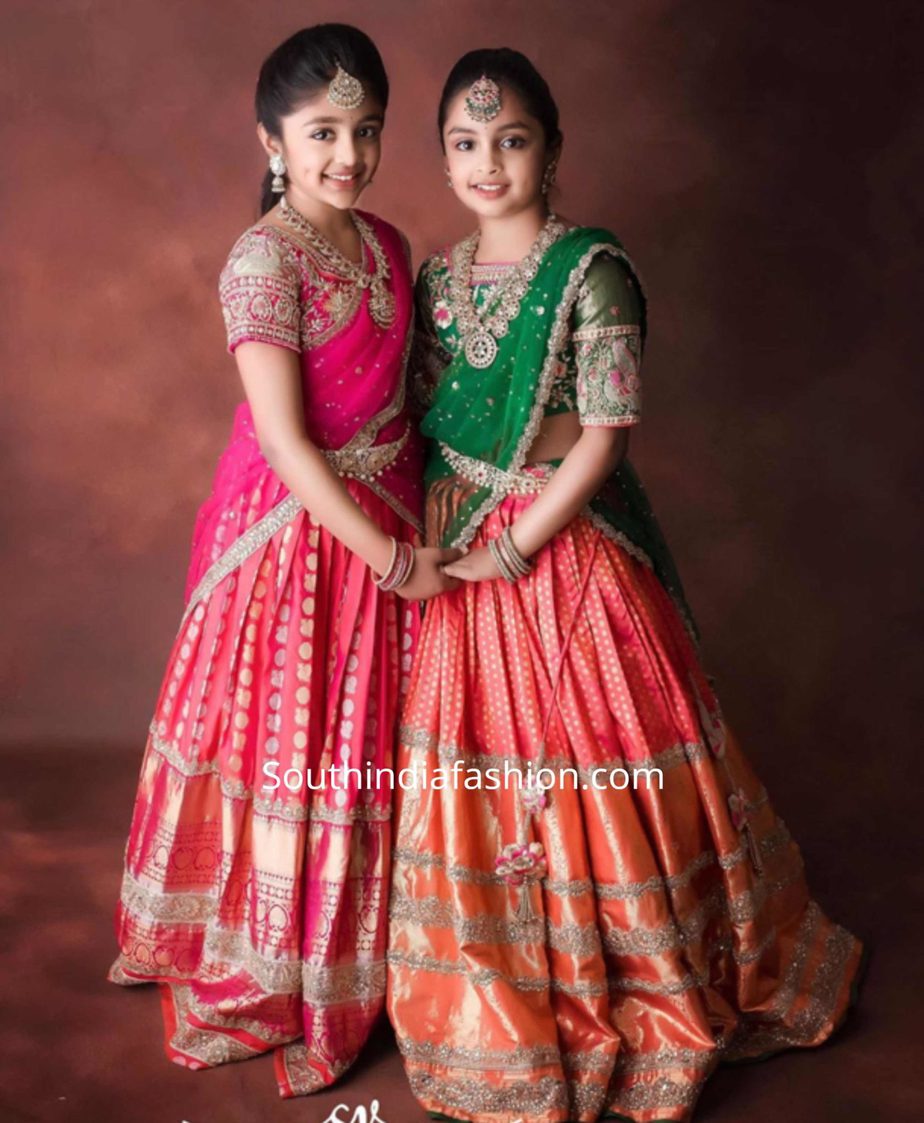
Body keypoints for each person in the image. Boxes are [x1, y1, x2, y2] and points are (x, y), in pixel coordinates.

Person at [386, 48, 867, 1123]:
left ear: (553, 149)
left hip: (568, 544)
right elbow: (430, 422)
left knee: (601, 743)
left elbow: (603, 443)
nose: (487, 163)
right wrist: (437, 545)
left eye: (511, 139)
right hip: (458, 533)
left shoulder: (593, 270)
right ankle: (501, 974)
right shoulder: (437, 280)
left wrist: (508, 551)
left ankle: (644, 971)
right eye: (465, 143)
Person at [107, 23, 458, 1098]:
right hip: (299, 544)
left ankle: (400, 955)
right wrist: (394, 562)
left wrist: (436, 520)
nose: (346, 154)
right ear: (272, 139)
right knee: (295, 740)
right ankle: (288, 960)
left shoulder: (389, 244)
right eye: (321, 133)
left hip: (396, 516)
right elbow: (287, 443)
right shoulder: (261, 259)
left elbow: (417, 401)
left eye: (366, 130)